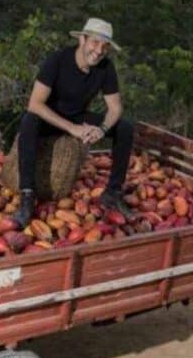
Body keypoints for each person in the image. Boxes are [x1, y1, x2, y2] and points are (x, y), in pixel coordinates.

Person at [12, 18, 135, 227]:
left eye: (105, 46)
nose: (99, 51)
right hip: (49, 116)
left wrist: (102, 129)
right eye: (95, 43)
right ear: (82, 39)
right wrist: (72, 129)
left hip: (79, 115)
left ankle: (113, 192)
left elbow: (115, 107)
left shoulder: (105, 67)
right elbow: (34, 103)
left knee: (125, 127)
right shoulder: (57, 60)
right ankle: (27, 194)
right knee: (29, 121)